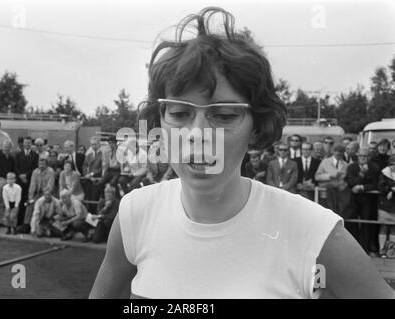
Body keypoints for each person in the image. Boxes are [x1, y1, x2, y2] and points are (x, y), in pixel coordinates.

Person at [90, 7, 394, 299]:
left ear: (257, 128)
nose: (197, 134)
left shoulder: (314, 234)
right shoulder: (135, 215)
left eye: (223, 116)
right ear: (159, 122)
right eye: (180, 113)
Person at [345, 147, 380, 256]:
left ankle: (364, 249)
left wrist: (361, 187)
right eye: (361, 156)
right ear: (357, 156)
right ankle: (353, 248)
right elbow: (351, 182)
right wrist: (361, 174)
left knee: (366, 224)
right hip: (353, 200)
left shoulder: (374, 167)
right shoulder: (351, 167)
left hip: (368, 199)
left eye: (365, 156)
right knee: (352, 223)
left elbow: (374, 184)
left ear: (369, 157)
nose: (363, 158)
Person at [315, 144, 350, 216]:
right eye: (336, 151)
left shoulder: (346, 165)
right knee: (326, 215)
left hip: (340, 196)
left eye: (340, 151)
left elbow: (347, 180)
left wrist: (343, 184)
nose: (338, 153)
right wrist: (330, 176)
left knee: (339, 215)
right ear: (333, 152)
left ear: (343, 153)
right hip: (325, 194)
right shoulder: (325, 162)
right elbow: (317, 176)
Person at [0, 140, 15, 226]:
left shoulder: (11, 158)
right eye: (5, 146)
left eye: (8, 146)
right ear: (2, 146)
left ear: (10, 147)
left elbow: (12, 171)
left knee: (3, 203)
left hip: (8, 182)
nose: (7, 147)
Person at [15, 136, 39, 226]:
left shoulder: (35, 155)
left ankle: (27, 223)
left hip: (30, 181)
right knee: (19, 202)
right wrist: (21, 175)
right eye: (26, 142)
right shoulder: (18, 154)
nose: (27, 144)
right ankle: (18, 222)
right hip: (19, 182)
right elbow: (16, 167)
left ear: (31, 144)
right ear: (23, 143)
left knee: (28, 202)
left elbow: (34, 167)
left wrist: (26, 175)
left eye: (29, 143)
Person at [377, 154, 395, 257]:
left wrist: (392, 191)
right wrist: (390, 189)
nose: (394, 166)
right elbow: (380, 187)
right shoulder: (384, 173)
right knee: (383, 227)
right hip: (384, 204)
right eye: (392, 164)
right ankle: (382, 250)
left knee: (393, 228)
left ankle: (391, 252)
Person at [82, 137, 104, 212]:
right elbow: (84, 165)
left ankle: (93, 216)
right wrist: (86, 175)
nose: (93, 146)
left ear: (99, 144)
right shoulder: (89, 154)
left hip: (97, 180)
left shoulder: (103, 155)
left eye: (95, 144)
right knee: (88, 198)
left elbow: (102, 168)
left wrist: (91, 174)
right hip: (88, 180)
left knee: (94, 199)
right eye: (92, 144)